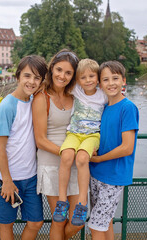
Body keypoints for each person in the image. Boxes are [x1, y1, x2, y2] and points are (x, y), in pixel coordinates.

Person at [0, 55, 47, 240]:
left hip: (30, 177)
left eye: (37, 77)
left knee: (36, 222)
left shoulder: (33, 101)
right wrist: (7, 181)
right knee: (7, 224)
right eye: (27, 76)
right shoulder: (7, 106)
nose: (31, 81)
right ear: (18, 77)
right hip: (9, 179)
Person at [32, 49, 82, 240]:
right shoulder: (41, 97)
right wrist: (68, 153)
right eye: (59, 70)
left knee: (78, 220)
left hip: (75, 164)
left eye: (68, 73)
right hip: (52, 163)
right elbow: (40, 140)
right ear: (52, 68)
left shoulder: (75, 97)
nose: (62, 76)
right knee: (58, 220)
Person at [88, 61, 139, 240]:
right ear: (100, 84)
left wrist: (100, 159)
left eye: (115, 78)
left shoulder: (127, 107)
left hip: (113, 176)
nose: (111, 83)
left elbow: (127, 147)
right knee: (104, 222)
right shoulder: (103, 108)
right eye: (106, 79)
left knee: (95, 226)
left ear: (123, 81)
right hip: (96, 173)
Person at [53, 59, 107, 226]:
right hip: (74, 133)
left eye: (92, 76)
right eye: (83, 77)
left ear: (98, 78)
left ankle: (82, 203)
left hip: (92, 136)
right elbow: (59, 83)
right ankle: (62, 201)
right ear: (77, 80)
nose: (88, 80)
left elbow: (117, 99)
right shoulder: (76, 90)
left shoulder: (103, 94)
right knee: (67, 156)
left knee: (83, 159)